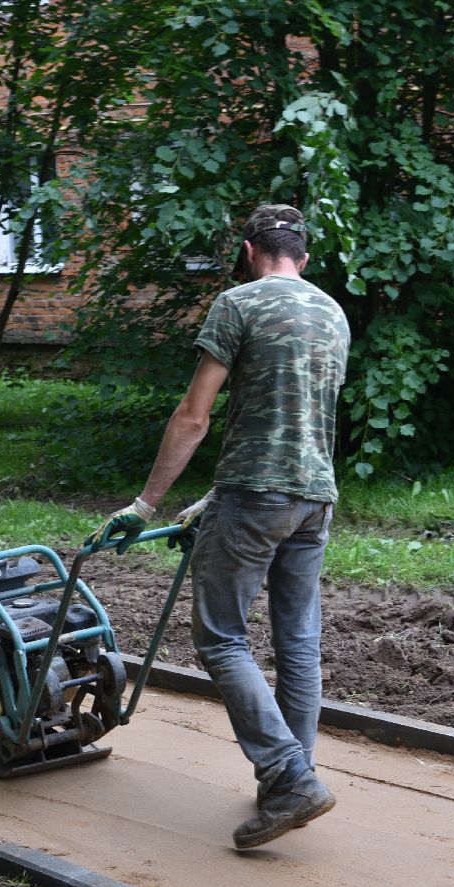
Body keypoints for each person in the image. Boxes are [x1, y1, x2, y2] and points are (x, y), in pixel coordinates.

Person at [89, 203, 350, 849]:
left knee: (222, 640)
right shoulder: (332, 312)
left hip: (257, 496)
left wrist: (146, 504)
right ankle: (293, 778)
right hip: (315, 498)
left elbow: (194, 416)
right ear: (304, 257)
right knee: (298, 645)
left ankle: (288, 777)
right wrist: (216, 494)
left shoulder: (238, 304)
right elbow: (300, 418)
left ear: (247, 249)